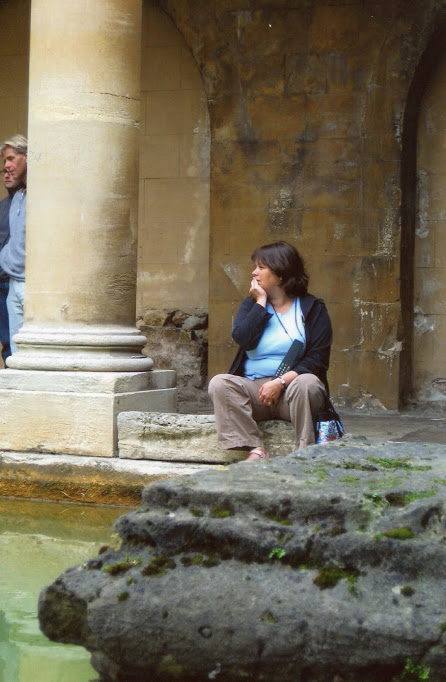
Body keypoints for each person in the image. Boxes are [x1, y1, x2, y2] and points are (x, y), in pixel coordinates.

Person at [208, 241, 332, 460]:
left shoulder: (312, 307)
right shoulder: (251, 305)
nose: (254, 272)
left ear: (281, 273)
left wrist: (280, 382)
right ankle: (255, 448)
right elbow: (243, 339)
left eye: (261, 267)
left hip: (293, 392)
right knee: (220, 383)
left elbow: (318, 359)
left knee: (309, 383)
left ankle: (305, 453)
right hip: (256, 393)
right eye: (255, 267)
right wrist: (261, 303)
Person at [0, 135, 27, 355]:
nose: (7, 167)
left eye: (11, 158)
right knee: (13, 349)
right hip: (9, 280)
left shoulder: (39, 195)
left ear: (26, 157)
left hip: (28, 281)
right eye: (4, 162)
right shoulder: (16, 198)